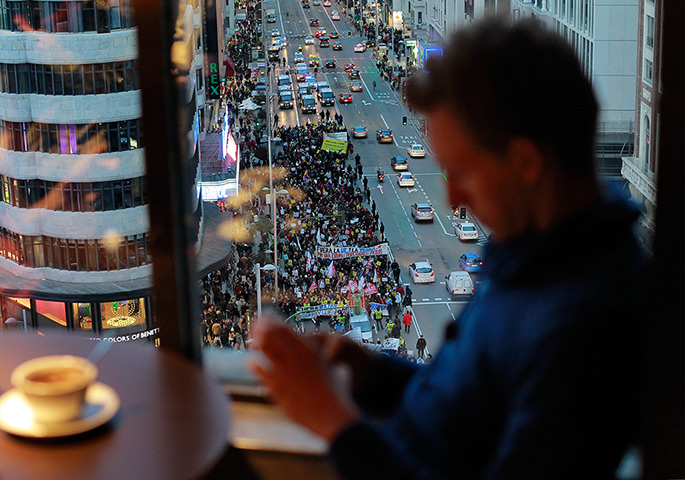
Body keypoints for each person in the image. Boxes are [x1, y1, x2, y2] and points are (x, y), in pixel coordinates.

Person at [251, 18, 646, 479]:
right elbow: (470, 413)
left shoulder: (583, 328)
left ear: (526, 161)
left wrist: (334, 422)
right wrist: (374, 375)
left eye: (461, 171)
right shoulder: (537, 253)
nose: (453, 198)